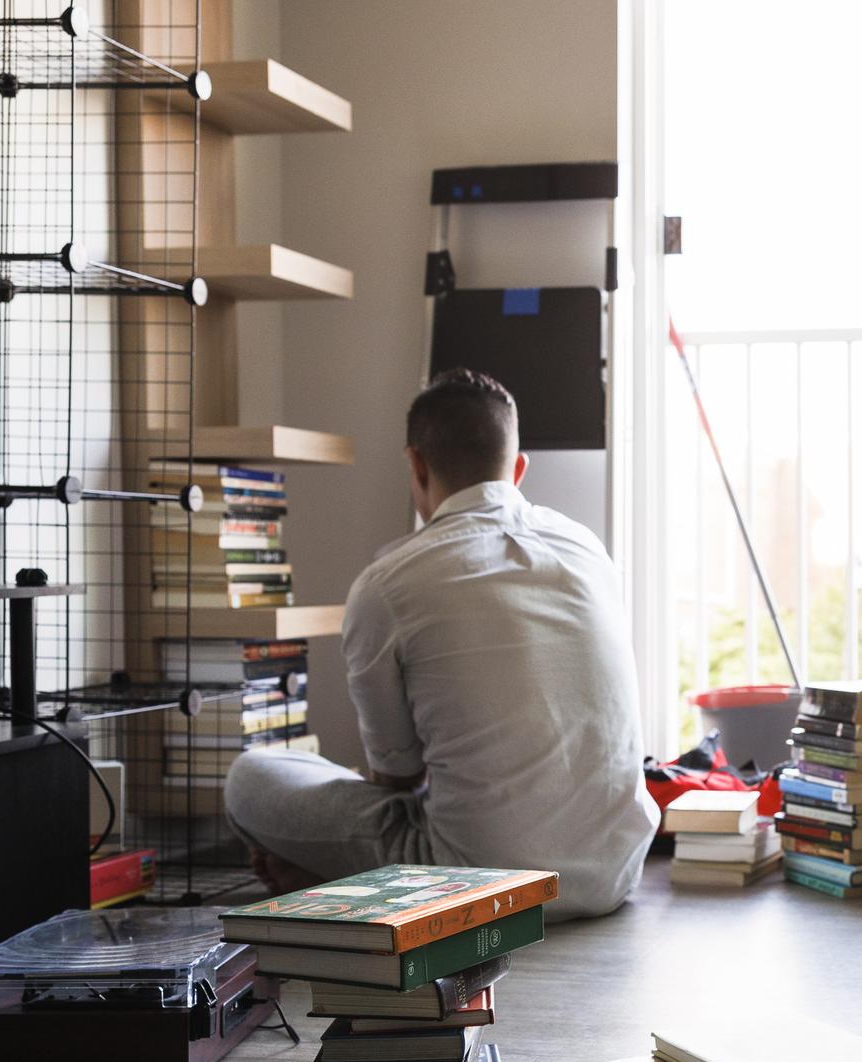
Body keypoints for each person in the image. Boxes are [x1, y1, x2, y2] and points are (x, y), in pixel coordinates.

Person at [223, 367, 657, 918]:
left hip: (475, 885)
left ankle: (330, 878)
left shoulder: (387, 585)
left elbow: (397, 777)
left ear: (416, 465)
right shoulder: (587, 549)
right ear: (518, 469)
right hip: (613, 875)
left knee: (251, 777)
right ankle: (327, 877)